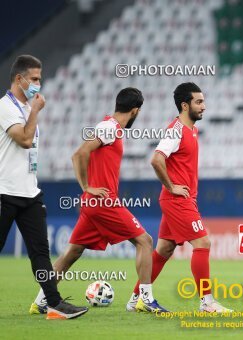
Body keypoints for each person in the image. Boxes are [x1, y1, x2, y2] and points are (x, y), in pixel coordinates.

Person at [30, 87, 167, 314]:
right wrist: (87, 187)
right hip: (104, 203)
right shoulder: (110, 128)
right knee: (145, 241)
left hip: (93, 205)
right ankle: (144, 299)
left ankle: (41, 300)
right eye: (138, 112)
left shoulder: (110, 127)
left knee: (72, 253)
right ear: (135, 111)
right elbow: (79, 154)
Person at [126, 82, 231, 313]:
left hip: (182, 199)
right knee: (203, 243)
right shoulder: (176, 130)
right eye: (199, 102)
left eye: (203, 101)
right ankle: (207, 302)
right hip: (177, 200)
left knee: (164, 249)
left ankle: (136, 300)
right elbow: (156, 159)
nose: (204, 106)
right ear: (185, 105)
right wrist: (172, 186)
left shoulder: (191, 129)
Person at [0, 55, 87, 319]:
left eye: (40, 78)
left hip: (29, 192)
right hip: (5, 192)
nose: (39, 84)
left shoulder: (26, 109)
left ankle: (54, 303)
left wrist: (33, 110)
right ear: (19, 79)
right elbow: (25, 141)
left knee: (41, 253)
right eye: (35, 79)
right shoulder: (5, 107)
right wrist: (36, 111)